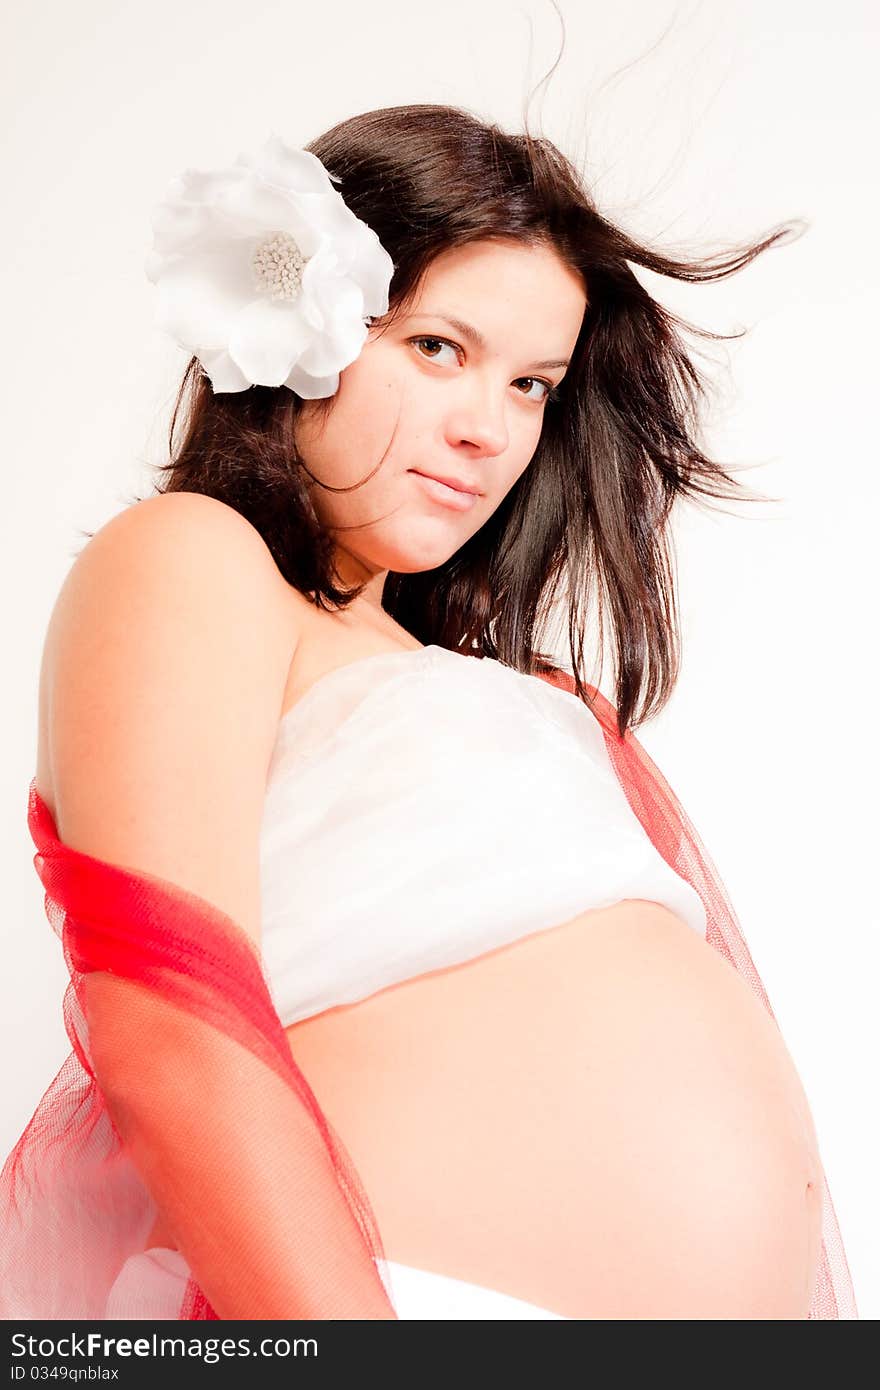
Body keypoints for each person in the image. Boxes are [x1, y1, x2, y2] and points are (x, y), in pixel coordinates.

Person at [0, 104, 858, 1320]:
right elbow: (169, 1030)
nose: (487, 428)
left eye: (531, 385)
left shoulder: (493, 681)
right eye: (439, 348)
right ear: (302, 330)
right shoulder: (195, 560)